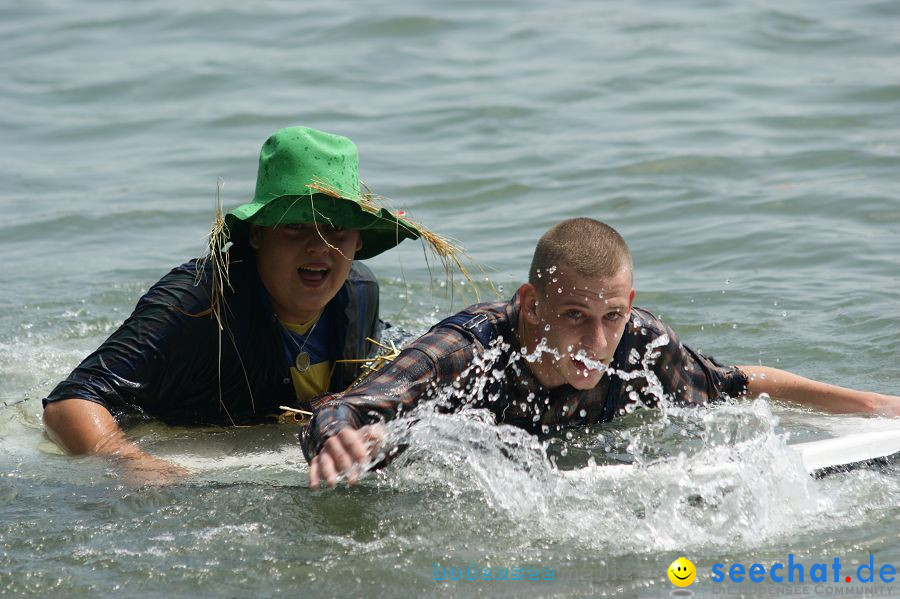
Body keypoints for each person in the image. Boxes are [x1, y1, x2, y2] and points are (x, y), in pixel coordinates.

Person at [302, 217, 900, 489]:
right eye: (574, 318)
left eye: (611, 316)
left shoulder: (640, 342)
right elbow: (346, 405)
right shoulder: (469, 350)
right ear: (531, 303)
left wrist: (873, 404)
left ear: (629, 303)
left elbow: (738, 384)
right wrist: (339, 440)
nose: (597, 344)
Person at [42, 125, 437, 484]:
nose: (319, 245)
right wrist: (126, 459)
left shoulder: (359, 294)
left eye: (335, 229)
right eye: (296, 226)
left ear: (359, 241)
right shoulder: (197, 300)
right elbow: (69, 402)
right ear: (257, 235)